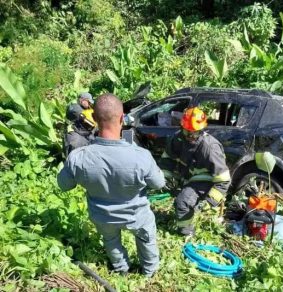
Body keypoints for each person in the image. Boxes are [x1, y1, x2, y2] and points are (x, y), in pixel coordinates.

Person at [57, 93, 165, 277]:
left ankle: (122, 269)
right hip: (136, 215)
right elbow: (158, 183)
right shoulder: (141, 156)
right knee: (146, 239)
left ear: (96, 119)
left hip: (103, 216)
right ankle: (150, 271)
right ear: (122, 118)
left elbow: (64, 185)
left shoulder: (78, 157)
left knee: (111, 240)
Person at [160, 107, 231, 236]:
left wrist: (209, 202)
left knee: (183, 201)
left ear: (202, 130)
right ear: (182, 128)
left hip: (206, 180)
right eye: (188, 132)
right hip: (187, 177)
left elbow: (224, 180)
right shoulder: (178, 138)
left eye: (195, 133)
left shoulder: (209, 148)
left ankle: (185, 234)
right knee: (180, 199)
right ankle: (186, 216)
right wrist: (167, 179)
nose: (191, 137)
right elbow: (168, 158)